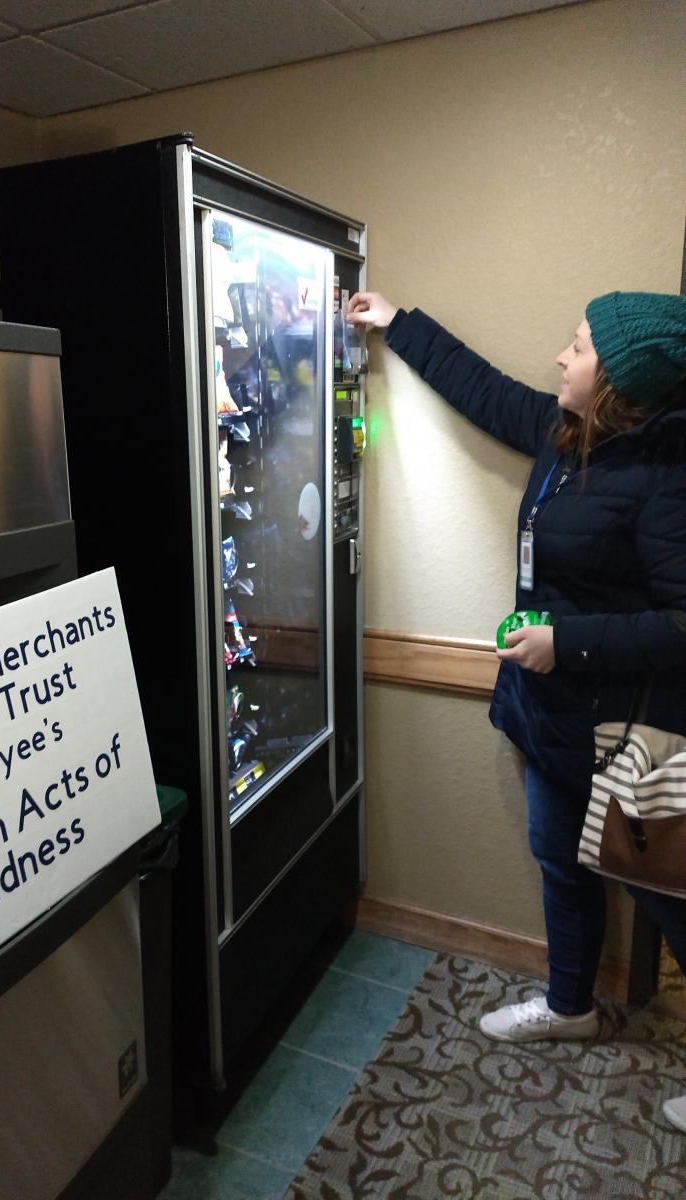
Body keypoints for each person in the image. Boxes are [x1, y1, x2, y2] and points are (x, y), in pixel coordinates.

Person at [347, 289, 686, 1130]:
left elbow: (682, 625)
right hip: (550, 715)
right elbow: (483, 387)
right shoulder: (565, 432)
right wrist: (401, 324)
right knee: (558, 863)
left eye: (577, 350)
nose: (560, 359)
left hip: (628, 730)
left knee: (671, 896)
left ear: (617, 386)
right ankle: (570, 1006)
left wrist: (562, 641)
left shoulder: (666, 478)